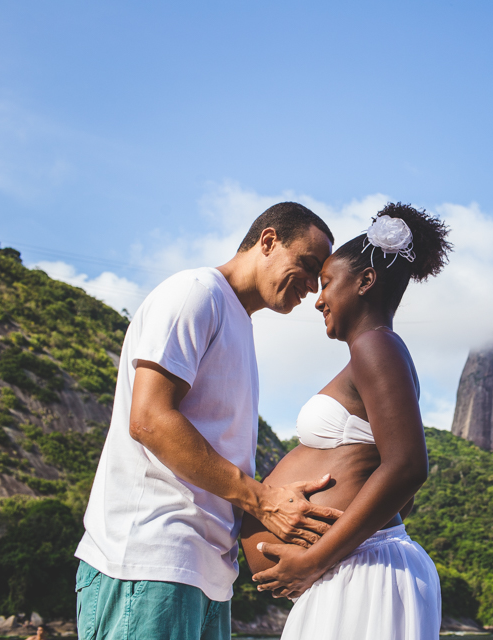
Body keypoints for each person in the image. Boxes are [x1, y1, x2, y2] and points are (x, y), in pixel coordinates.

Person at [75, 202, 344, 640]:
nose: (314, 288)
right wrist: (262, 500)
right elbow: (148, 419)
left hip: (207, 576)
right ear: (269, 241)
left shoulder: (238, 321)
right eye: (308, 266)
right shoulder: (196, 293)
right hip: (150, 562)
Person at [241, 202, 452, 640]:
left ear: (365, 282)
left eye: (327, 283)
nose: (318, 299)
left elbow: (409, 467)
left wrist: (315, 558)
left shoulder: (376, 347)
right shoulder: (376, 353)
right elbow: (393, 487)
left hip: (358, 569)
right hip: (350, 569)